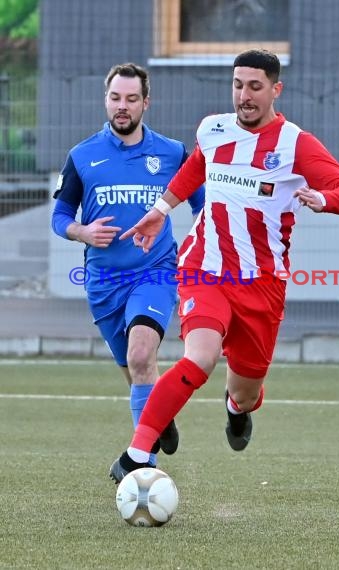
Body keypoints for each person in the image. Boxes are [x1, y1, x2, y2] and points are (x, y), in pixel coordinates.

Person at [109, 49, 339, 483]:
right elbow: (195, 169)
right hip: (204, 268)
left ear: (275, 90)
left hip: (262, 285)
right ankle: (136, 454)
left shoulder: (296, 144)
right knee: (200, 357)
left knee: (245, 391)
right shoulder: (214, 129)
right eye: (237, 85)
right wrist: (161, 208)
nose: (243, 96)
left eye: (254, 86)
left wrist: (324, 199)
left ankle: (236, 408)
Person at [51, 62, 205, 467]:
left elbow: (203, 204)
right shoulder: (82, 156)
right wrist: (81, 232)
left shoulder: (171, 153)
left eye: (131, 99)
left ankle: (143, 470)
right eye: (116, 98)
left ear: (145, 103)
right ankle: (160, 416)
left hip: (154, 273)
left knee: (141, 356)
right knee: (135, 367)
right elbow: (60, 217)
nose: (123, 106)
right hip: (102, 282)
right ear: (106, 100)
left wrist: (197, 243)